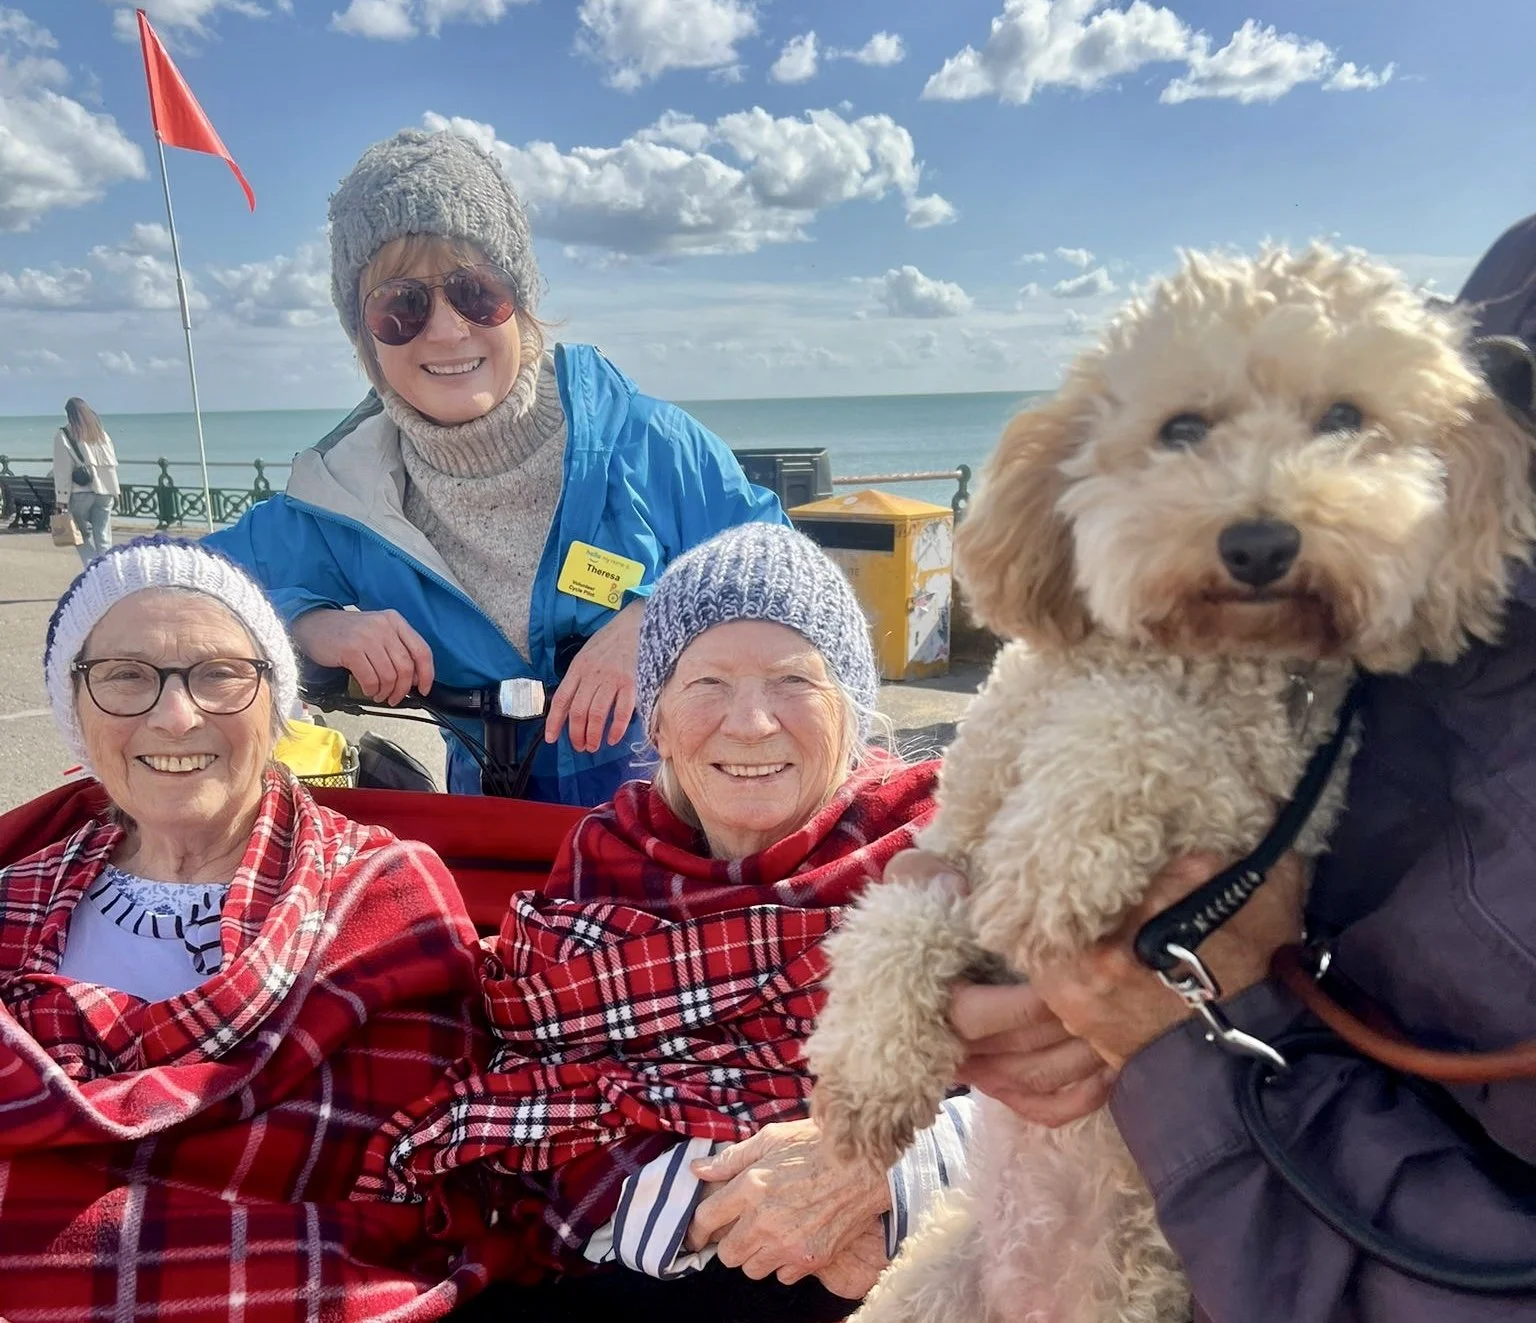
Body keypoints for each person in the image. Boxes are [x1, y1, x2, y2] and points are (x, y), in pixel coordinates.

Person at [886, 404, 1536, 1315]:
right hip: (1077, 1186)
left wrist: (1191, 1041)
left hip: (1244, 1220)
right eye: (1187, 434)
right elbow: (965, 882)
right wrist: (968, 963)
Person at [357, 525, 966, 1321]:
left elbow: (1088, 1082)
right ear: (659, 721)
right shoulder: (603, 859)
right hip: (633, 1270)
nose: (751, 722)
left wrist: (888, 1170)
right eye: (708, 681)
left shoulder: (945, 849)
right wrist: (696, 1209)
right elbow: (535, 1115)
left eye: (793, 680)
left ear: (849, 708)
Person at [209, 128, 787, 805]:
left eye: (475, 291)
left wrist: (659, 617)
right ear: (364, 334)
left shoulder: (645, 442)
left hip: (673, 823)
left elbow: (780, 566)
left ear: (521, 301)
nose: (447, 329)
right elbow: (168, 588)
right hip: (490, 835)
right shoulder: (343, 498)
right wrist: (310, 625)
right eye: (401, 306)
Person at [0, 537, 497, 1321]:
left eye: (220, 673)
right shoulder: (11, 901)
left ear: (275, 702)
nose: (175, 715)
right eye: (126, 675)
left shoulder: (386, 892)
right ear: (76, 707)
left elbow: (437, 1179)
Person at [52, 396, 118, 565]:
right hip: (105, 491)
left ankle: (92, 570)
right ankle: (107, 570)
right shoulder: (101, 434)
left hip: (81, 492)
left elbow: (62, 471)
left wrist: (61, 500)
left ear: (69, 414)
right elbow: (111, 466)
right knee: (103, 537)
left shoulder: (65, 435)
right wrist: (115, 491)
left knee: (81, 535)